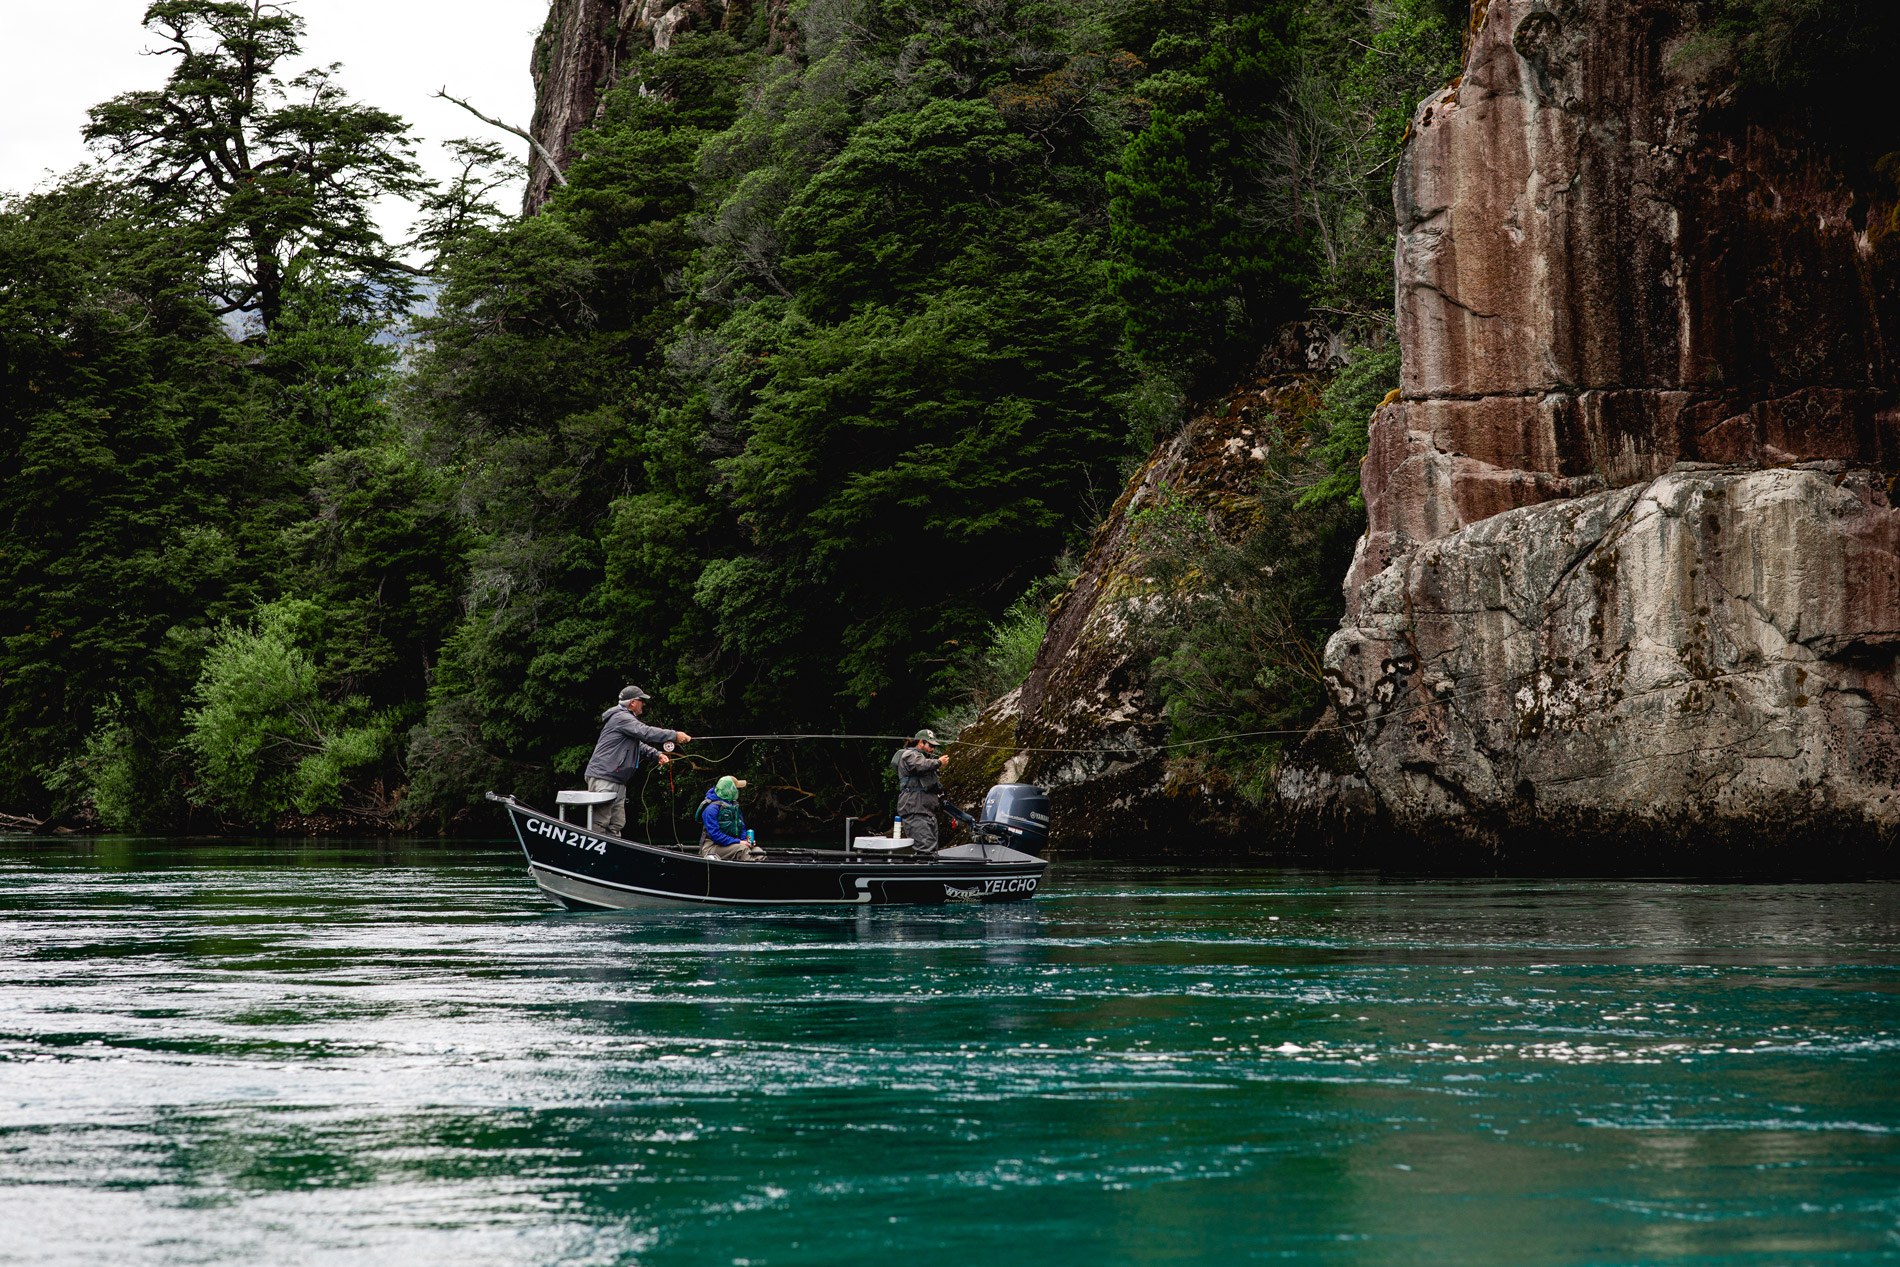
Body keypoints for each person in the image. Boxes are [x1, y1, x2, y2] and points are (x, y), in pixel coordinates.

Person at [582, 685, 692, 837]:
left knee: (616, 824)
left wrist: (656, 754)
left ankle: (612, 856)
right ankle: (592, 856)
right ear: (633, 702)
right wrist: (674, 735)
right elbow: (645, 732)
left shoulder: (625, 720)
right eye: (642, 700)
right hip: (604, 776)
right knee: (601, 822)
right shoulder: (621, 717)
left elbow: (637, 744)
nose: (644, 704)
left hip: (617, 778)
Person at [891, 728, 951, 857]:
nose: (933, 749)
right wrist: (939, 762)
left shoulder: (923, 757)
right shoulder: (909, 755)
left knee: (932, 851)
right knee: (926, 851)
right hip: (915, 810)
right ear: (920, 742)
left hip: (927, 811)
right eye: (930, 745)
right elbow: (920, 765)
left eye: (934, 746)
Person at [698, 775, 763, 860]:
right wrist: (739, 842)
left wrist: (746, 841)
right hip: (711, 847)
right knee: (742, 849)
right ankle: (754, 871)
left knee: (758, 851)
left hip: (732, 844)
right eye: (736, 788)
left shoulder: (734, 806)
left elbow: (742, 828)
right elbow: (715, 835)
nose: (738, 791)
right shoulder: (711, 809)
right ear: (730, 790)